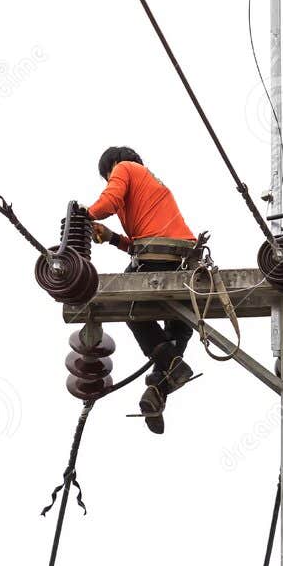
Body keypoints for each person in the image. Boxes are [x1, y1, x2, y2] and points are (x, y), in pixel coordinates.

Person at [85, 146, 197, 433]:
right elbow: (141, 244)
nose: (111, 181)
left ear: (112, 167)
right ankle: (159, 388)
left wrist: (85, 216)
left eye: (107, 177)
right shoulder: (149, 186)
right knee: (180, 326)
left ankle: (170, 364)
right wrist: (111, 238)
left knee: (127, 305)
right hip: (183, 260)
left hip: (159, 256)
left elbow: (108, 201)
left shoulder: (124, 168)